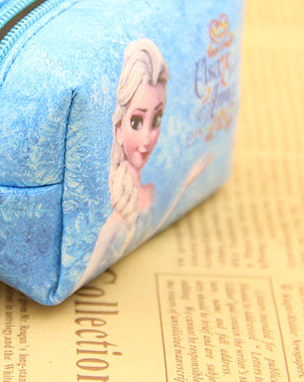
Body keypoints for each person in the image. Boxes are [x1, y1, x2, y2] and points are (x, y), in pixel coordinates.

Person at [76, 38, 212, 287]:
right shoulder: (113, 222)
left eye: (156, 120)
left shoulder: (150, 192)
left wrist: (188, 180)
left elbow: (160, 219)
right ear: (118, 129)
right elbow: (82, 275)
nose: (147, 139)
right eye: (136, 122)